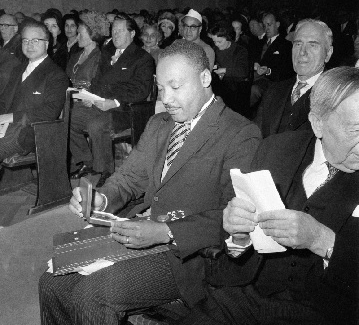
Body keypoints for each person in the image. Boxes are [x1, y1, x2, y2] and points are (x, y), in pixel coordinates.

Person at [38, 40, 261, 325]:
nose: (166, 98)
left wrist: (165, 231)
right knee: (52, 281)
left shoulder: (240, 133)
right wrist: (101, 198)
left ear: (205, 78)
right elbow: (130, 178)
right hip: (140, 229)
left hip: (189, 255)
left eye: (175, 87)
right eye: (161, 88)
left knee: (91, 295)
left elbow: (235, 216)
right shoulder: (159, 124)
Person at [178, 66, 359, 325]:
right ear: (318, 123)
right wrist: (238, 236)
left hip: (326, 312)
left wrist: (323, 240)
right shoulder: (276, 150)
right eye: (355, 130)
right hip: (247, 298)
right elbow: (234, 252)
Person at [69, 14, 155, 188]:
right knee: (69, 118)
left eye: (120, 31)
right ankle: (87, 161)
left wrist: (114, 102)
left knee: (96, 125)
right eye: (113, 31)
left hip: (125, 110)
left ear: (132, 34)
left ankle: (106, 171)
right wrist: (89, 96)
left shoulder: (142, 58)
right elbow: (97, 81)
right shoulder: (107, 54)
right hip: (100, 104)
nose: (115, 35)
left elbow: (140, 91)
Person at [0, 21, 68, 161]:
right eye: (25, 40)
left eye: (35, 40)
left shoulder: (56, 75)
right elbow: (4, 101)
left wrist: (11, 117)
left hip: (30, 131)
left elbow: (50, 112)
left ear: (47, 44)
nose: (29, 45)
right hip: (6, 127)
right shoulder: (18, 69)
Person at [255, 19, 333, 138]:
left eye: (312, 45)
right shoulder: (274, 90)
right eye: (298, 44)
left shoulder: (336, 96)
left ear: (328, 54)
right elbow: (255, 135)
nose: (302, 52)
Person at [251, 12, 294, 108]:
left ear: (277, 25)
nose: (266, 28)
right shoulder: (258, 42)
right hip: (253, 76)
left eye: (269, 25)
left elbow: (287, 70)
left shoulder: (285, 45)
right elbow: (251, 58)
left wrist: (268, 71)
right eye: (264, 25)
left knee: (253, 90)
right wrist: (254, 64)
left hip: (271, 81)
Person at [210, 22, 249, 115]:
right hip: (218, 87)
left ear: (228, 38)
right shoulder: (214, 50)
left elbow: (243, 72)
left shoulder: (239, 50)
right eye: (214, 41)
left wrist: (224, 70)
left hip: (236, 89)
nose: (217, 45)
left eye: (220, 42)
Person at [66, 12, 108, 89]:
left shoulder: (100, 58)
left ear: (93, 34)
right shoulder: (75, 56)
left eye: (80, 34)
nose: (77, 37)